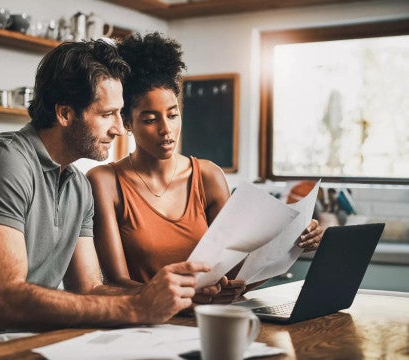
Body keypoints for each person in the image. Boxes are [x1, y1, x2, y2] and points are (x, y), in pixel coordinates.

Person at [0, 39, 213, 355]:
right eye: (108, 114)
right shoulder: (4, 164)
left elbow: (90, 289)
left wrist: (166, 296)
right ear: (65, 113)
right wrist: (136, 308)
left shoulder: (76, 184)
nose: (119, 129)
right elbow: (5, 302)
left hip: (31, 338)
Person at [86, 32, 323, 305]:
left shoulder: (208, 176)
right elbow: (116, 283)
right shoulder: (105, 181)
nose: (166, 130)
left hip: (209, 320)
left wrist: (293, 243)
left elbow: (236, 273)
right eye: (150, 119)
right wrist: (186, 297)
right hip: (145, 324)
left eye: (173, 115)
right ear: (126, 122)